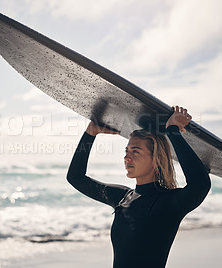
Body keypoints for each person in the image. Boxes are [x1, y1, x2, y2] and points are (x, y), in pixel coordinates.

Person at [66, 106, 211, 268]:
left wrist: (173, 131)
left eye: (135, 152)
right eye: (126, 151)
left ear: (156, 159)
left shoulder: (169, 204)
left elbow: (200, 185)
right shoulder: (123, 198)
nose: (127, 157)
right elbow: (75, 177)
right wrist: (90, 133)